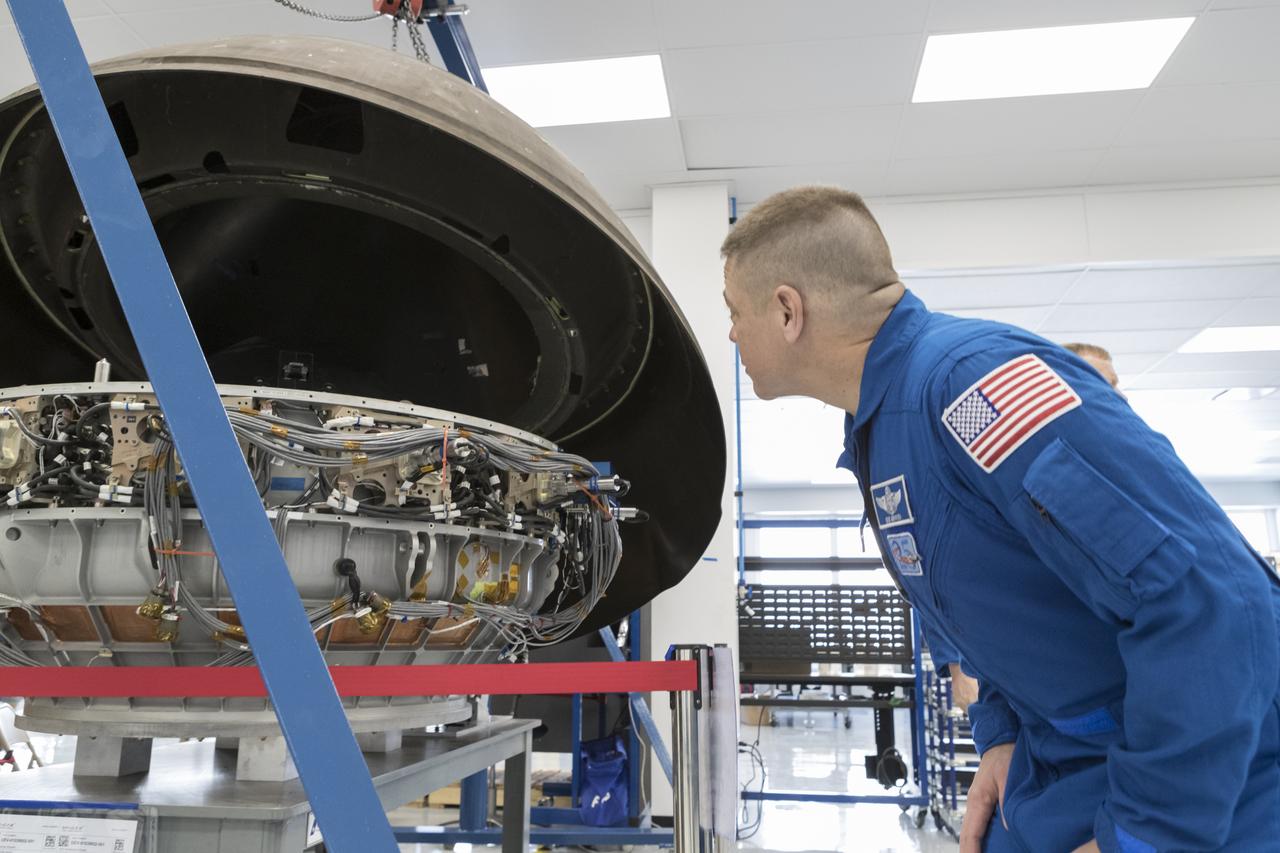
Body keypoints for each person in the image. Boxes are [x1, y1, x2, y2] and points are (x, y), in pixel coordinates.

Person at [721, 185, 1280, 853]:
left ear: (788, 310)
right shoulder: (881, 424)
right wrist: (1002, 729)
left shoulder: (972, 387)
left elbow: (1215, 601)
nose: (730, 332)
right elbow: (991, 603)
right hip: (1063, 756)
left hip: (1212, 771)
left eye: (733, 311)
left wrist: (1146, 834)